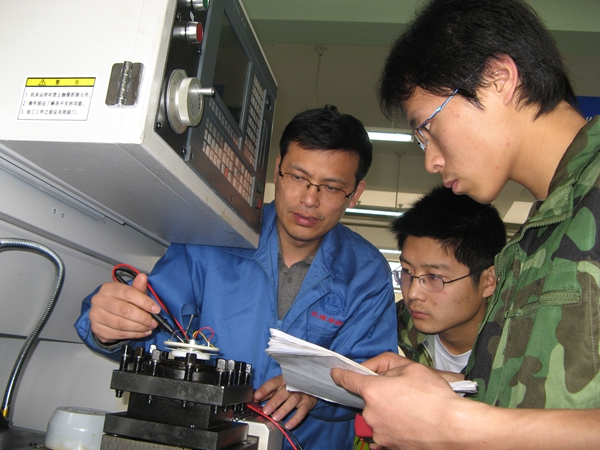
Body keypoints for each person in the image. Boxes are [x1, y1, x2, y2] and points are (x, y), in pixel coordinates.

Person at [331, 0, 600, 448]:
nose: (432, 161)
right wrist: (441, 388)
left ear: (498, 79)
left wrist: (451, 426)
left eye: (429, 128)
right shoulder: (535, 239)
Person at [74, 105, 398, 450]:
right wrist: (109, 330)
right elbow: (153, 330)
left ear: (356, 193)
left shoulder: (366, 272)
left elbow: (373, 376)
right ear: (278, 168)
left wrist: (318, 390)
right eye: (297, 177)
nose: (308, 199)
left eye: (331, 188)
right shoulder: (214, 237)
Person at [391, 185, 505, 373]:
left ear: (489, 281)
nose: (413, 293)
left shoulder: (520, 343)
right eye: (407, 271)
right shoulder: (390, 322)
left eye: (434, 277)